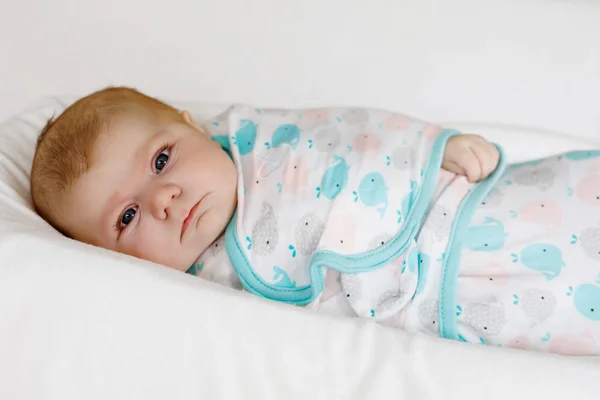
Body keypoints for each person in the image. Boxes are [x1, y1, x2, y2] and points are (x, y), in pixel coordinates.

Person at [30, 87, 600, 356]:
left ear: (191, 125)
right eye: (126, 217)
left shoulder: (262, 141)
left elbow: (353, 131)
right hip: (460, 305)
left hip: (458, 212)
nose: (165, 198)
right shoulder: (190, 297)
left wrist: (433, 147)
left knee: (568, 200)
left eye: (161, 160)